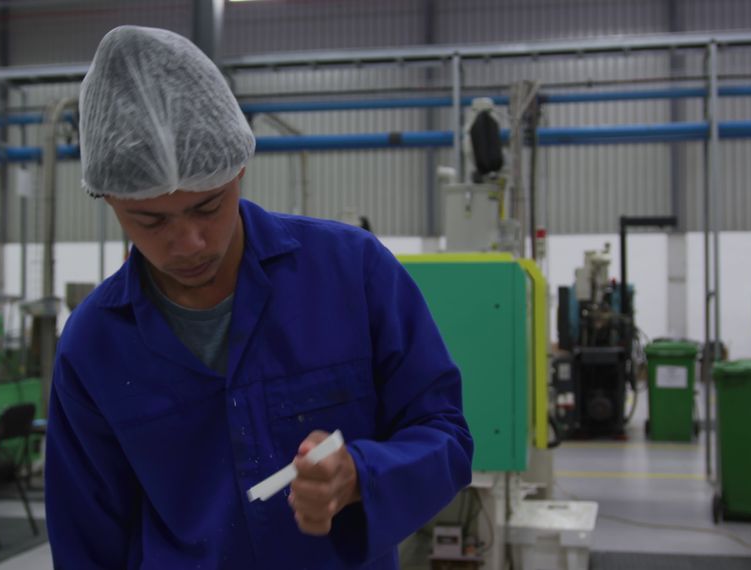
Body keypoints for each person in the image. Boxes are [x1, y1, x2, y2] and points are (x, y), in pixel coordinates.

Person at [45, 25, 473, 569]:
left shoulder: (351, 273)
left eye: (208, 206)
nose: (190, 243)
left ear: (239, 167)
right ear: (107, 200)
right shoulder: (94, 347)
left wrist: (360, 475)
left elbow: (445, 436)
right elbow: (87, 541)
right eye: (150, 220)